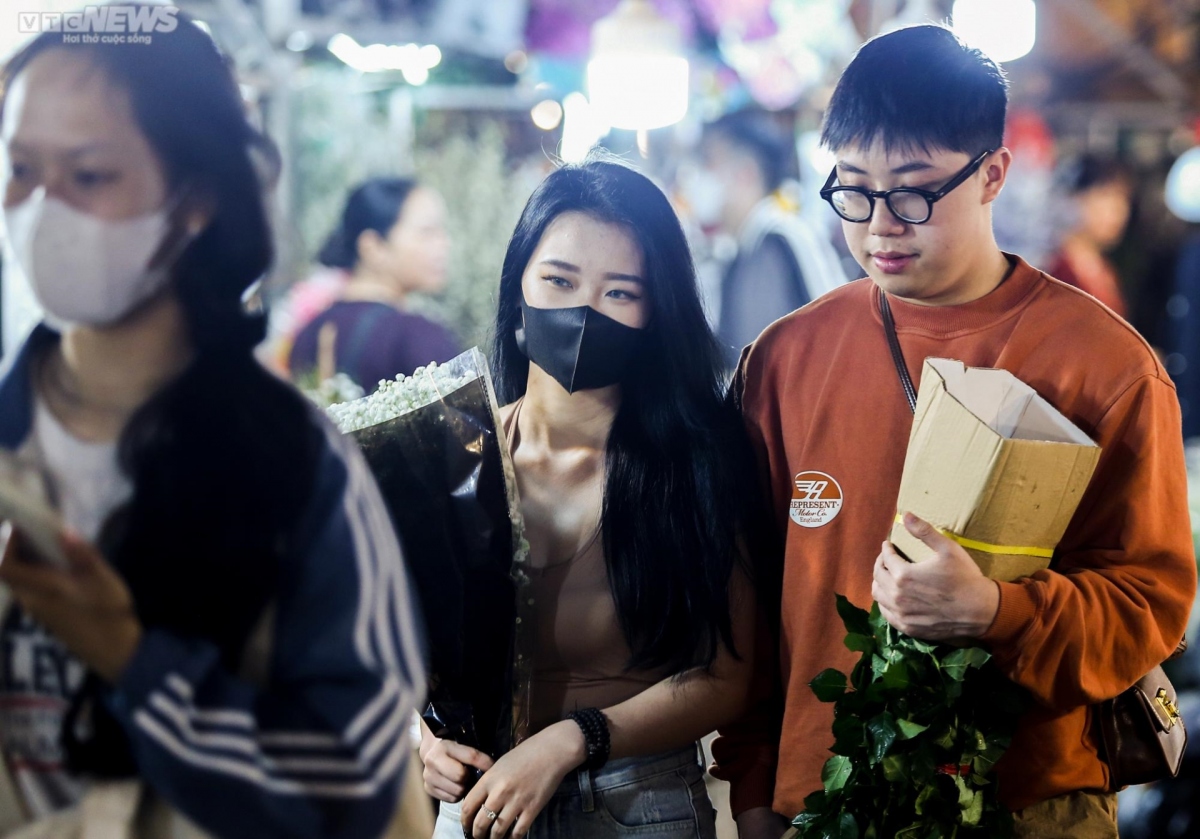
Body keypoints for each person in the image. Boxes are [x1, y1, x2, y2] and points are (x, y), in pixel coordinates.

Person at [712, 24, 1196, 839]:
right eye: (853, 190)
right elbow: (745, 599)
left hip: (1029, 804)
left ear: (992, 174)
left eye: (913, 193)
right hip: (819, 807)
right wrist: (756, 790)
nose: (880, 226)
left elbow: (1150, 605)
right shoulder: (786, 359)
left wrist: (997, 610)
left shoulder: (1104, 365)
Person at [0, 10, 425, 837]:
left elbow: (357, 772)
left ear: (195, 197)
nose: (43, 208)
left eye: (89, 174)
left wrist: (134, 661)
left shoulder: (292, 462)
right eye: (20, 168)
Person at [418, 158, 768, 839]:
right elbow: (399, 651)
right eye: (559, 280)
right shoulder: (455, 462)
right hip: (479, 809)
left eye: (620, 292)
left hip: (637, 806)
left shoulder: (696, 462)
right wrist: (426, 740)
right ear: (518, 287)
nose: (584, 310)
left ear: (656, 310)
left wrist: (572, 739)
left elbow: (725, 677)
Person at [686, 110, 848, 369]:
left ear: (746, 173)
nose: (696, 178)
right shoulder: (745, 247)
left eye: (708, 162)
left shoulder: (782, 238)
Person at [288, 177, 459, 392]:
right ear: (373, 246)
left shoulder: (307, 335)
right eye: (427, 232)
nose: (444, 244)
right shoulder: (415, 336)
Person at [1046, 155, 1134, 317]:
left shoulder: (1104, 271)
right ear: (1072, 199)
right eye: (1105, 196)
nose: (1119, 210)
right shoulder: (1054, 273)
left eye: (1124, 198)